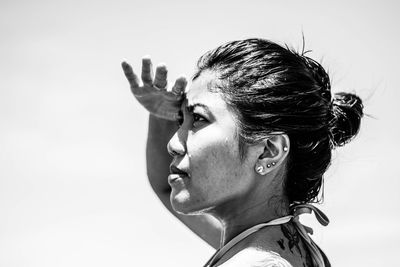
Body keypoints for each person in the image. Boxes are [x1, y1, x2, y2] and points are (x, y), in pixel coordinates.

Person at [121, 38, 363, 267]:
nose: (173, 144)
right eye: (180, 120)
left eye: (198, 119)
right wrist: (162, 117)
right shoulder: (285, 243)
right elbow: (166, 185)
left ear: (269, 151)